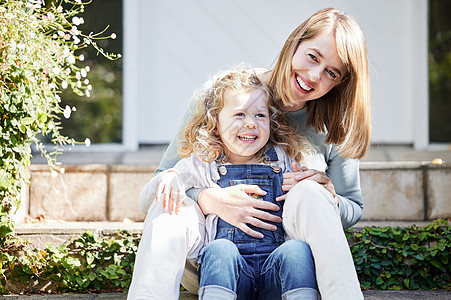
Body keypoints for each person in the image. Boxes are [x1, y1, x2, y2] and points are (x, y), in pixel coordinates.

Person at [128, 7, 370, 300]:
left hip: (288, 265)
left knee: (308, 192)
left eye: (331, 72)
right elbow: (160, 186)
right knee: (169, 204)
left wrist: (329, 197)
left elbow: (352, 207)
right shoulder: (227, 92)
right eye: (312, 57)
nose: (314, 75)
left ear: (340, 82)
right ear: (295, 43)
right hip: (214, 260)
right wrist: (208, 199)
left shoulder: (332, 125)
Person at [130, 68, 318, 299]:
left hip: (274, 273)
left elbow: (308, 195)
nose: (251, 123)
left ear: (271, 122)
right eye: (239, 114)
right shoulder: (203, 162)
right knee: (220, 248)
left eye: (260, 115)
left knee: (297, 250)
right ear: (216, 123)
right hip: (228, 276)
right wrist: (168, 177)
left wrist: (310, 181)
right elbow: (148, 198)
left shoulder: (284, 159)